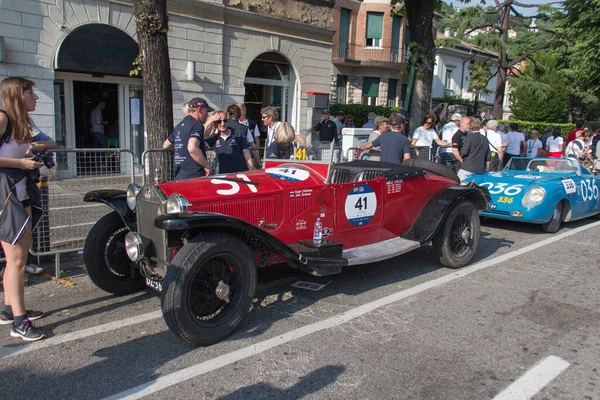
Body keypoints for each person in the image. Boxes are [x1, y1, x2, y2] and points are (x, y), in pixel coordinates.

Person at [0, 76, 46, 341]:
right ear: (18, 95)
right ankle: (19, 322)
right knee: (17, 260)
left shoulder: (21, 122)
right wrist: (21, 164)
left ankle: (10, 309)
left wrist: (30, 156)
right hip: (7, 198)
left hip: (20, 194)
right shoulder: (3, 118)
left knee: (17, 258)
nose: (36, 97)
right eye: (31, 92)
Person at [163, 97, 213, 180]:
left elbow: (166, 145)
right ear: (200, 109)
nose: (207, 115)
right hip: (194, 175)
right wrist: (207, 165)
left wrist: (182, 146)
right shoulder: (197, 125)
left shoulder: (179, 125)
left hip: (180, 175)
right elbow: (192, 148)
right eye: (207, 111)